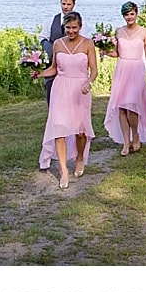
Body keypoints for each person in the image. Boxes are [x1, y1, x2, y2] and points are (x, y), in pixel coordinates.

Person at [34, 11, 97, 190]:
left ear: (80, 27)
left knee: (80, 131)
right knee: (59, 129)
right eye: (68, 28)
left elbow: (93, 70)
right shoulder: (58, 44)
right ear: (64, 28)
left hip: (80, 90)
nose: (71, 31)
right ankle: (63, 170)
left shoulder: (88, 44)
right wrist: (39, 73)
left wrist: (89, 82)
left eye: (74, 28)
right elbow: (53, 68)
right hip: (60, 89)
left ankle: (79, 158)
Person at [103, 1, 146, 155]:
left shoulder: (144, 32)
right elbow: (117, 53)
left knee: (132, 106)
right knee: (121, 107)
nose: (129, 17)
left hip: (136, 70)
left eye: (132, 14)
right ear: (123, 16)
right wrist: (105, 51)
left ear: (136, 14)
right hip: (122, 69)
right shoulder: (118, 31)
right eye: (126, 15)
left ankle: (136, 134)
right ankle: (126, 142)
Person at [39, 0, 77, 105]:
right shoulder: (51, 21)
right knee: (51, 94)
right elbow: (42, 38)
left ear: (73, 5)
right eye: (64, 4)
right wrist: (51, 51)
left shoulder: (79, 23)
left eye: (68, 4)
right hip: (52, 64)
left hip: (70, 68)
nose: (65, 7)